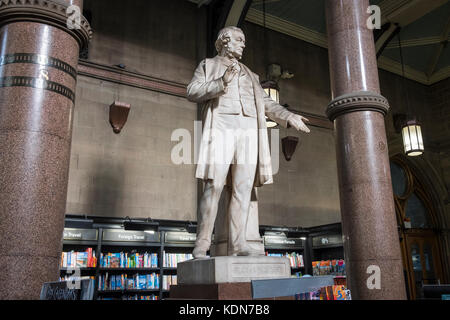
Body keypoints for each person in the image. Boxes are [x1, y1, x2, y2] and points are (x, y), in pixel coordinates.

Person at [187, 26, 310, 258]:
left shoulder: (251, 75)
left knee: (243, 189)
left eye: (243, 40)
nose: (243, 44)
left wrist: (289, 116)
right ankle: (202, 244)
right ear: (225, 41)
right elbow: (192, 91)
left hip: (249, 131)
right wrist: (221, 83)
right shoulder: (208, 65)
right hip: (222, 127)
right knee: (213, 186)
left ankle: (239, 242)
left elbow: (267, 104)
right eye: (239, 40)